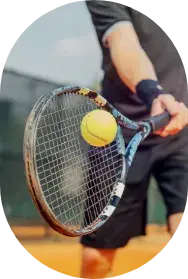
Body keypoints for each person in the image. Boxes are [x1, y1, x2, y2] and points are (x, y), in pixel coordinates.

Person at [80, 2, 188, 279]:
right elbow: (122, 41)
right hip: (119, 132)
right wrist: (154, 93)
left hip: (181, 130)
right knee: (96, 257)